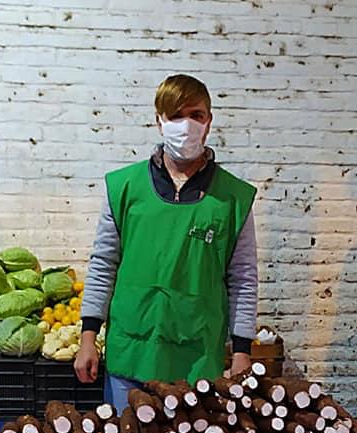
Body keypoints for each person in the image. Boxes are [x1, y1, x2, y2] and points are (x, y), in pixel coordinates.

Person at [74, 74, 258, 412]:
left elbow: (243, 279)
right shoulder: (124, 188)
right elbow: (103, 265)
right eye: (175, 116)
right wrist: (88, 337)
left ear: (209, 122)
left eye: (196, 115)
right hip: (131, 354)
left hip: (197, 362)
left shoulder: (233, 198)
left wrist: (243, 350)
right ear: (159, 121)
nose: (186, 125)